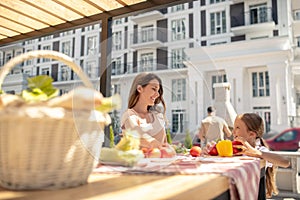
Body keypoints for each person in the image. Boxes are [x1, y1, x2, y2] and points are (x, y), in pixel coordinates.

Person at [203, 113, 290, 198]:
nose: (233, 132)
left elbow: (285, 162)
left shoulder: (260, 150)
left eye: (237, 128)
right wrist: (211, 151)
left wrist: (257, 153)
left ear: (251, 134)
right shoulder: (233, 149)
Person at [120, 72, 170, 150]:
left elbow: (165, 145)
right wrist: (161, 147)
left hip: (160, 161)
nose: (157, 94)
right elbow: (139, 137)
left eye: (158, 91)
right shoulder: (129, 115)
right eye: (154, 89)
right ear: (140, 89)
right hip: (139, 162)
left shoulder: (158, 116)